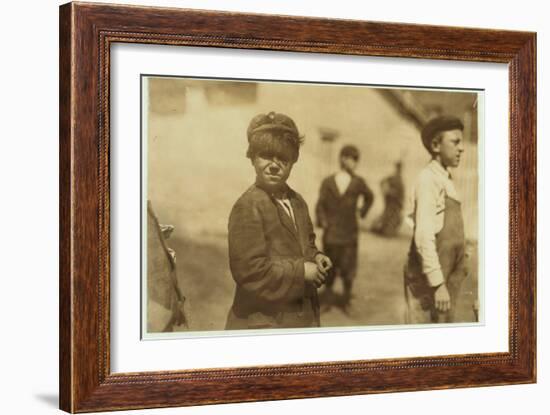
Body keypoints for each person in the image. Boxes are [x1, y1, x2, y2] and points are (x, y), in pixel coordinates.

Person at [225, 111, 332, 330]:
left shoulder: (297, 202)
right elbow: (250, 272)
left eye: (283, 158)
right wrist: (302, 272)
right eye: (265, 156)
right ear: (252, 158)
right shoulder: (248, 206)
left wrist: (316, 256)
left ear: (293, 161)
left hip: (300, 318)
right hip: (262, 324)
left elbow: (305, 244)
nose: (274, 165)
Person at [404, 115, 469, 324]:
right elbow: (423, 236)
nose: (462, 148)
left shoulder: (446, 180)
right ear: (435, 145)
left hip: (447, 279)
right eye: (455, 142)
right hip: (429, 283)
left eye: (462, 142)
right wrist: (438, 283)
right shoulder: (428, 179)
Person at [315, 145, 374, 313]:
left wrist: (362, 212)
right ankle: (327, 299)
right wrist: (323, 221)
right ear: (342, 158)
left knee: (348, 268)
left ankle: (347, 300)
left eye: (357, 160)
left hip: (349, 233)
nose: (355, 163)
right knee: (329, 266)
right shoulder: (328, 182)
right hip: (331, 233)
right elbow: (320, 205)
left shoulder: (358, 182)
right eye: (352, 159)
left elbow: (370, 197)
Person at [372, 161, 405, 237]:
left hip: (396, 205)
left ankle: (386, 229)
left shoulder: (400, 180)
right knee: (386, 218)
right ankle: (382, 229)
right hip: (390, 204)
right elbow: (382, 182)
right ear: (396, 168)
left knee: (394, 220)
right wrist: (387, 191)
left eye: (400, 168)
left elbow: (401, 195)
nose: (399, 170)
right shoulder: (392, 178)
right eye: (398, 168)